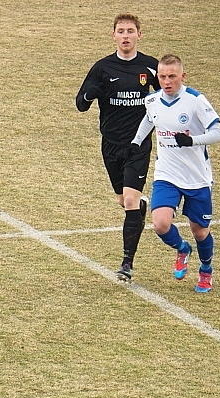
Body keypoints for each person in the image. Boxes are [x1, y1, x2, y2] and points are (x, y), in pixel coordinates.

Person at [128, 54, 220, 293]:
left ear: (183, 76)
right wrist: (136, 142)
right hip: (167, 174)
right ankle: (182, 249)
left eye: (172, 76)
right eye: (162, 76)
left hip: (196, 177)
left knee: (199, 231)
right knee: (160, 224)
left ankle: (206, 269)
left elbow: (219, 133)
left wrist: (192, 140)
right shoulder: (152, 100)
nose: (167, 81)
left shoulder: (195, 101)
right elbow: (149, 120)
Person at [76, 13, 159, 282]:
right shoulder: (102, 68)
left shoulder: (150, 67)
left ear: (139, 35)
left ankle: (127, 264)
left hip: (138, 145)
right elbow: (80, 104)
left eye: (130, 31)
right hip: (110, 145)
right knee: (123, 200)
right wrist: (90, 94)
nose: (125, 36)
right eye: (121, 31)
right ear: (113, 35)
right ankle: (140, 205)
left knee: (130, 201)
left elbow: (170, 95)